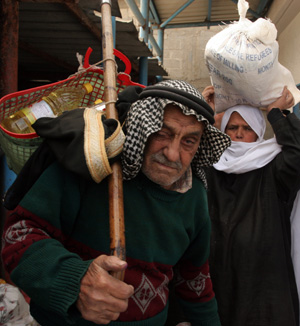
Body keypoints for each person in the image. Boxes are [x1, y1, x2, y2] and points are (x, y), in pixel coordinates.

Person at [1, 80, 231, 326]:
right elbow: (19, 235)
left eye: (188, 141)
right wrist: (75, 281)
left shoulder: (193, 194)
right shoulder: (91, 164)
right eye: (162, 134)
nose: (173, 153)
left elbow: (193, 277)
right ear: (142, 127)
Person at [202, 85, 300, 326]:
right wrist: (206, 112)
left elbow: (297, 153)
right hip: (218, 279)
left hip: (264, 285)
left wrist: (276, 114)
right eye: (232, 128)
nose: (238, 134)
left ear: (258, 132)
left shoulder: (273, 168)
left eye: (247, 129)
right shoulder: (210, 166)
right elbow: (191, 149)